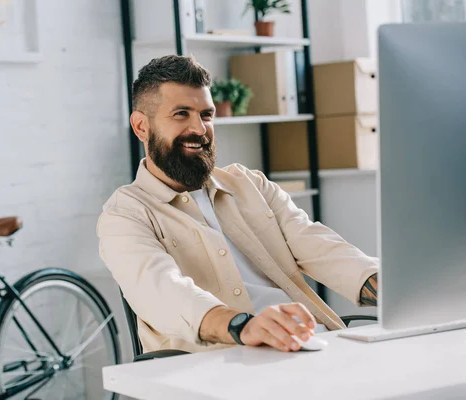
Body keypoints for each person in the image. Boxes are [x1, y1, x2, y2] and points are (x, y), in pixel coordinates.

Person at [97, 55, 379, 354]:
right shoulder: (125, 215)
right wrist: (244, 326)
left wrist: (393, 288)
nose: (200, 128)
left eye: (206, 115)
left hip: (308, 347)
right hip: (223, 366)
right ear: (141, 126)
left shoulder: (250, 185)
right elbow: (163, 291)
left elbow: (322, 248)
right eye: (181, 114)